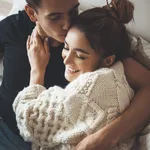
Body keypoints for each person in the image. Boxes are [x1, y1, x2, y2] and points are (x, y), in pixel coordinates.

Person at [0, 0, 149, 149]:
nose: (67, 24)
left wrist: (105, 137)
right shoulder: (13, 28)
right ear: (32, 13)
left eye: (73, 11)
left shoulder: (90, 36)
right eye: (55, 17)